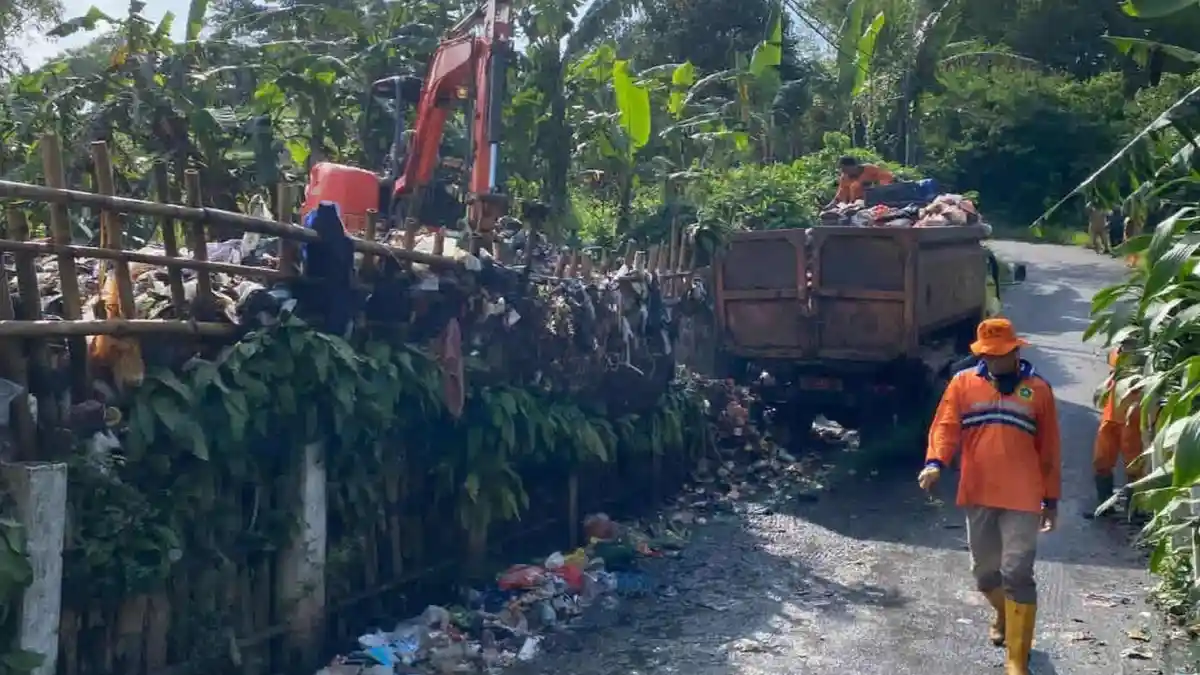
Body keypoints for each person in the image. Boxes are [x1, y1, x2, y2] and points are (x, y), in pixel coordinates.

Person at [918, 318, 1061, 675]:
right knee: (984, 574)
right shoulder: (963, 383)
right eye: (988, 355)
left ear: (1016, 350)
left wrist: (1051, 499)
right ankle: (1003, 613)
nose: (995, 361)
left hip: (1024, 496)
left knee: (1018, 573)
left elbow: (1049, 449)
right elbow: (945, 426)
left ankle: (1017, 660)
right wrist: (935, 462)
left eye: (1001, 354)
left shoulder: (1038, 390)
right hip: (978, 491)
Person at [1090, 340, 1144, 514]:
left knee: (1134, 466)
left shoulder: (1145, 355)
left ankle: (1134, 511)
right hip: (1111, 416)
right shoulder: (1115, 352)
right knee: (1101, 462)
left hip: (1132, 419)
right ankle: (1104, 506)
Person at [825, 156, 894, 208]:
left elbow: (888, 179)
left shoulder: (870, 169)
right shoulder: (844, 177)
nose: (843, 172)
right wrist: (829, 206)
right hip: (855, 205)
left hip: (874, 202)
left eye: (844, 169)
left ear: (853, 166)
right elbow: (840, 195)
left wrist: (873, 186)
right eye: (842, 170)